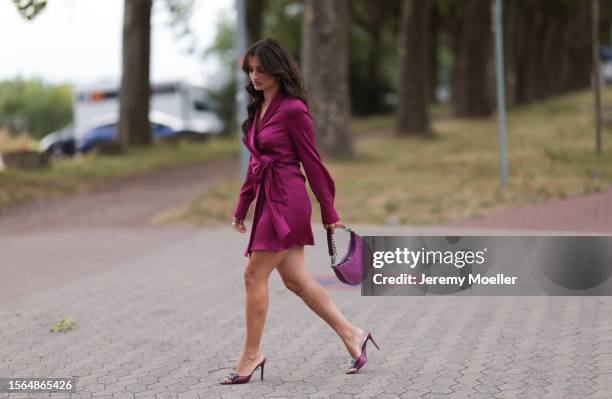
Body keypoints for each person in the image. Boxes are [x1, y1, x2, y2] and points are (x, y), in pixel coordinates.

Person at [221, 38, 378, 385]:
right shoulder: (258, 107)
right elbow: (255, 164)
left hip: (287, 201)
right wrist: (242, 205)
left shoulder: (294, 110)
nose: (255, 76)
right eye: (251, 70)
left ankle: (251, 354)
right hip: (266, 198)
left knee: (253, 275)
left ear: (278, 70)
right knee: (296, 280)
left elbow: (313, 161)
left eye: (261, 70)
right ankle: (353, 334)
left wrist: (329, 209)